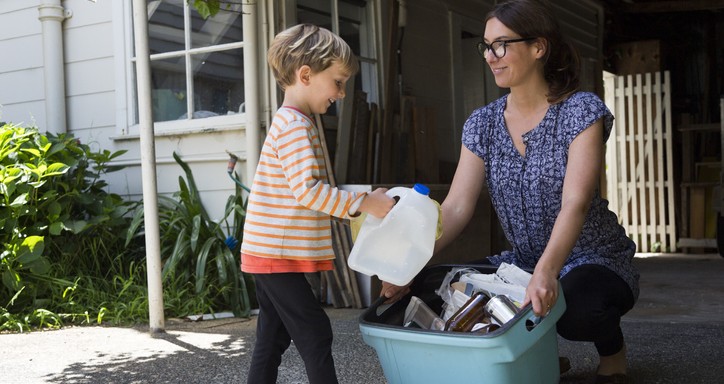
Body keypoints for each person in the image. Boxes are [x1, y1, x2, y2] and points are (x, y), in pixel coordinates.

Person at [380, 1, 639, 383]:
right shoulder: (482, 123)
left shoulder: (581, 111)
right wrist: (408, 264)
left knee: (575, 307)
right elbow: (455, 208)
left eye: (501, 44)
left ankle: (612, 352)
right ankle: (532, 359)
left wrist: (548, 271)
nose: (490, 56)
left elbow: (576, 201)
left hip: (591, 258)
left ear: (539, 47)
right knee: (431, 286)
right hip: (523, 260)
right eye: (486, 46)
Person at [240, 23, 395, 384]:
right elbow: (307, 191)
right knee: (315, 333)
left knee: (273, 337)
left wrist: (359, 207)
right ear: (305, 75)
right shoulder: (294, 126)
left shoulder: (296, 121)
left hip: (271, 253)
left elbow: (306, 193)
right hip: (276, 256)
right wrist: (363, 203)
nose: (341, 93)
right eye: (338, 82)